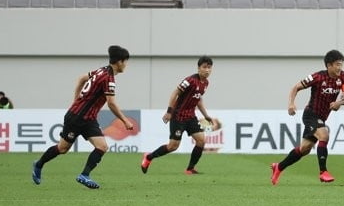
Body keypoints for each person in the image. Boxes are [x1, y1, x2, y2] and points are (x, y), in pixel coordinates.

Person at [31, 45, 133, 189]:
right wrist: (125, 120)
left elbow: (81, 79)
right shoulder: (108, 79)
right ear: (120, 62)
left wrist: (76, 100)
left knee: (102, 147)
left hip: (88, 119)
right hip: (77, 118)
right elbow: (111, 103)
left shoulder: (100, 71)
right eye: (126, 61)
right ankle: (38, 164)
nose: (126, 65)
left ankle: (84, 175)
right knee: (62, 149)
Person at [270, 49, 344, 185]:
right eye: (337, 64)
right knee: (324, 135)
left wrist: (340, 103)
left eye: (341, 64)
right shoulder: (317, 77)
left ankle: (278, 167)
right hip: (311, 115)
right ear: (329, 65)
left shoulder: (343, 76)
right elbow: (295, 87)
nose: (340, 68)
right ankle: (323, 172)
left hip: (322, 117)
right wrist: (291, 103)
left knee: (304, 149)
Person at [141, 56, 214, 175]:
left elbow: (198, 99)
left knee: (201, 140)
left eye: (209, 67)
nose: (207, 70)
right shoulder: (189, 81)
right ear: (198, 68)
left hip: (191, 117)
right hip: (178, 117)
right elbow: (175, 92)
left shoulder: (205, 83)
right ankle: (149, 157)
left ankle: (190, 169)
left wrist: (205, 115)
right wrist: (169, 111)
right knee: (173, 146)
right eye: (204, 67)